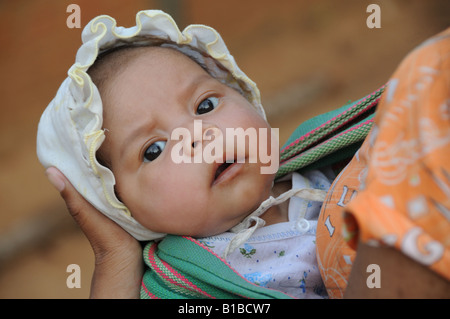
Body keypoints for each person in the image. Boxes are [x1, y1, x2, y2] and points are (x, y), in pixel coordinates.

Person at [39, 10, 450, 298]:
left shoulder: (330, 159)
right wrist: (115, 258)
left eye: (204, 106)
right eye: (155, 149)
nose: (196, 139)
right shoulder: (184, 281)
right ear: (122, 209)